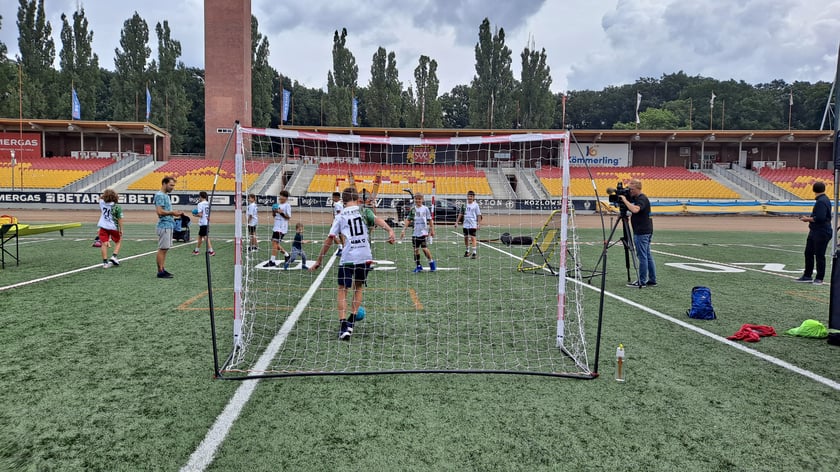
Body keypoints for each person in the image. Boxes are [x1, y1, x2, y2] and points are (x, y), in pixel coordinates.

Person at [309, 187, 396, 340]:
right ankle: (352, 320)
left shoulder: (340, 215)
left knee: (343, 289)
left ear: (343, 200)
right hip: (365, 256)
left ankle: (344, 325)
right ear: (357, 199)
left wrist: (319, 260)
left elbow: (330, 238)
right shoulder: (364, 211)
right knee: (358, 287)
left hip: (348, 256)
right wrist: (390, 231)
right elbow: (378, 220)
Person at [618, 178, 657, 288]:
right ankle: (652, 280)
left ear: (637, 188)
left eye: (631, 189)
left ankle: (642, 281)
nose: (629, 191)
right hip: (645, 230)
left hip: (642, 232)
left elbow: (635, 210)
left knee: (642, 256)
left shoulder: (642, 198)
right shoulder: (637, 198)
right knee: (647, 255)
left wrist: (624, 200)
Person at [796, 181, 832, 285]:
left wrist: (807, 219)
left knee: (819, 255)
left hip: (821, 231)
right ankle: (807, 275)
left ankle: (819, 278)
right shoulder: (823, 200)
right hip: (816, 231)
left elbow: (820, 218)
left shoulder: (821, 201)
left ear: (813, 190)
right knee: (808, 253)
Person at [399, 193, 436, 273]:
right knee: (416, 249)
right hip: (415, 232)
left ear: (422, 200)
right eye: (416, 199)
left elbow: (430, 220)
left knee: (424, 248)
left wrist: (432, 229)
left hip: (423, 232)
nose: (418, 200)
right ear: (414, 200)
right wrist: (403, 230)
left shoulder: (425, 209)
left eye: (419, 199)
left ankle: (431, 262)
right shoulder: (413, 209)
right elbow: (408, 220)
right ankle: (418, 266)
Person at [155, 176, 183, 278]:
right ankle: (160, 271)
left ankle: (162, 269)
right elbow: (159, 211)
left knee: (165, 249)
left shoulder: (165, 195)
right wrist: (172, 212)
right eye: (171, 185)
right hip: (164, 225)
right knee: (162, 249)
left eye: (173, 185)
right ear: (164, 184)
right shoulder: (160, 195)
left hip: (168, 225)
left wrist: (175, 213)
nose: (172, 187)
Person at [97, 188, 123, 268]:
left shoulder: (101, 203)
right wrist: (121, 229)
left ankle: (105, 263)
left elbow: (100, 198)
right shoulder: (117, 207)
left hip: (103, 226)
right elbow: (119, 219)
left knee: (104, 244)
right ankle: (114, 256)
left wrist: (105, 195)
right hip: (113, 227)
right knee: (118, 241)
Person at [266, 190, 291, 267]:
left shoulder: (287, 206)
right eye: (280, 195)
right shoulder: (278, 205)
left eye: (282, 196)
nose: (280, 197)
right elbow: (274, 216)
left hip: (281, 228)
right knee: (275, 244)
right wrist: (274, 211)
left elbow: (288, 217)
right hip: (276, 226)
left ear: (286, 198)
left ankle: (272, 261)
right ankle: (287, 255)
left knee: (274, 243)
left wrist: (281, 212)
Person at [455, 190, 482, 259]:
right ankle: (467, 251)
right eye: (468, 196)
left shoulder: (476, 205)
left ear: (473, 197)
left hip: (473, 224)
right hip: (465, 224)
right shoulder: (464, 205)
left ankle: (474, 253)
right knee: (466, 237)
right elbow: (461, 214)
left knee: (473, 237)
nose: (469, 197)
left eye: (471, 196)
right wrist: (457, 222)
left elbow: (479, 215)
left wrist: (478, 224)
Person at [192, 191, 215, 256]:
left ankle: (211, 251)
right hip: (207, 221)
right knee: (200, 236)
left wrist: (195, 215)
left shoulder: (200, 204)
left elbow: (200, 214)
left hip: (203, 222)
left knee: (205, 237)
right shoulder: (208, 203)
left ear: (201, 196)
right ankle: (196, 250)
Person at [331, 191, 344, 256]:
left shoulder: (337, 204)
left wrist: (334, 222)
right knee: (340, 235)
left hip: (338, 221)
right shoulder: (340, 203)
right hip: (341, 221)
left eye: (333, 197)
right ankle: (343, 248)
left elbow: (338, 213)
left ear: (337, 197)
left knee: (332, 235)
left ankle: (340, 248)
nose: (332, 198)